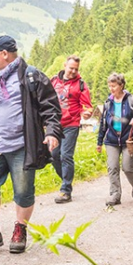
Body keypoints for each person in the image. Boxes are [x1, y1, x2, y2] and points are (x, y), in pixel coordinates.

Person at [0, 35, 62, 254]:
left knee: (23, 191)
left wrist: (52, 132)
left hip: (21, 145)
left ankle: (20, 229)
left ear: (4, 54)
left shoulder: (32, 76)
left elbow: (51, 107)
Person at [96, 73, 133, 207]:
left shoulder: (132, 100)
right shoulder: (107, 103)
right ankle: (115, 195)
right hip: (111, 140)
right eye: (109, 86)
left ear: (121, 85)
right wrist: (99, 142)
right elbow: (103, 124)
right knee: (112, 167)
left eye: (114, 86)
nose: (111, 89)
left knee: (128, 167)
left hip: (128, 140)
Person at [51, 55, 93, 203]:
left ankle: (65, 190)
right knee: (54, 155)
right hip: (54, 125)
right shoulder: (54, 81)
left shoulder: (81, 84)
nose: (73, 71)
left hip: (71, 124)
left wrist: (87, 113)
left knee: (65, 155)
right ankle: (66, 181)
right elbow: (45, 99)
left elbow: (87, 106)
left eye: (76, 69)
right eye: (71, 68)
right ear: (65, 65)